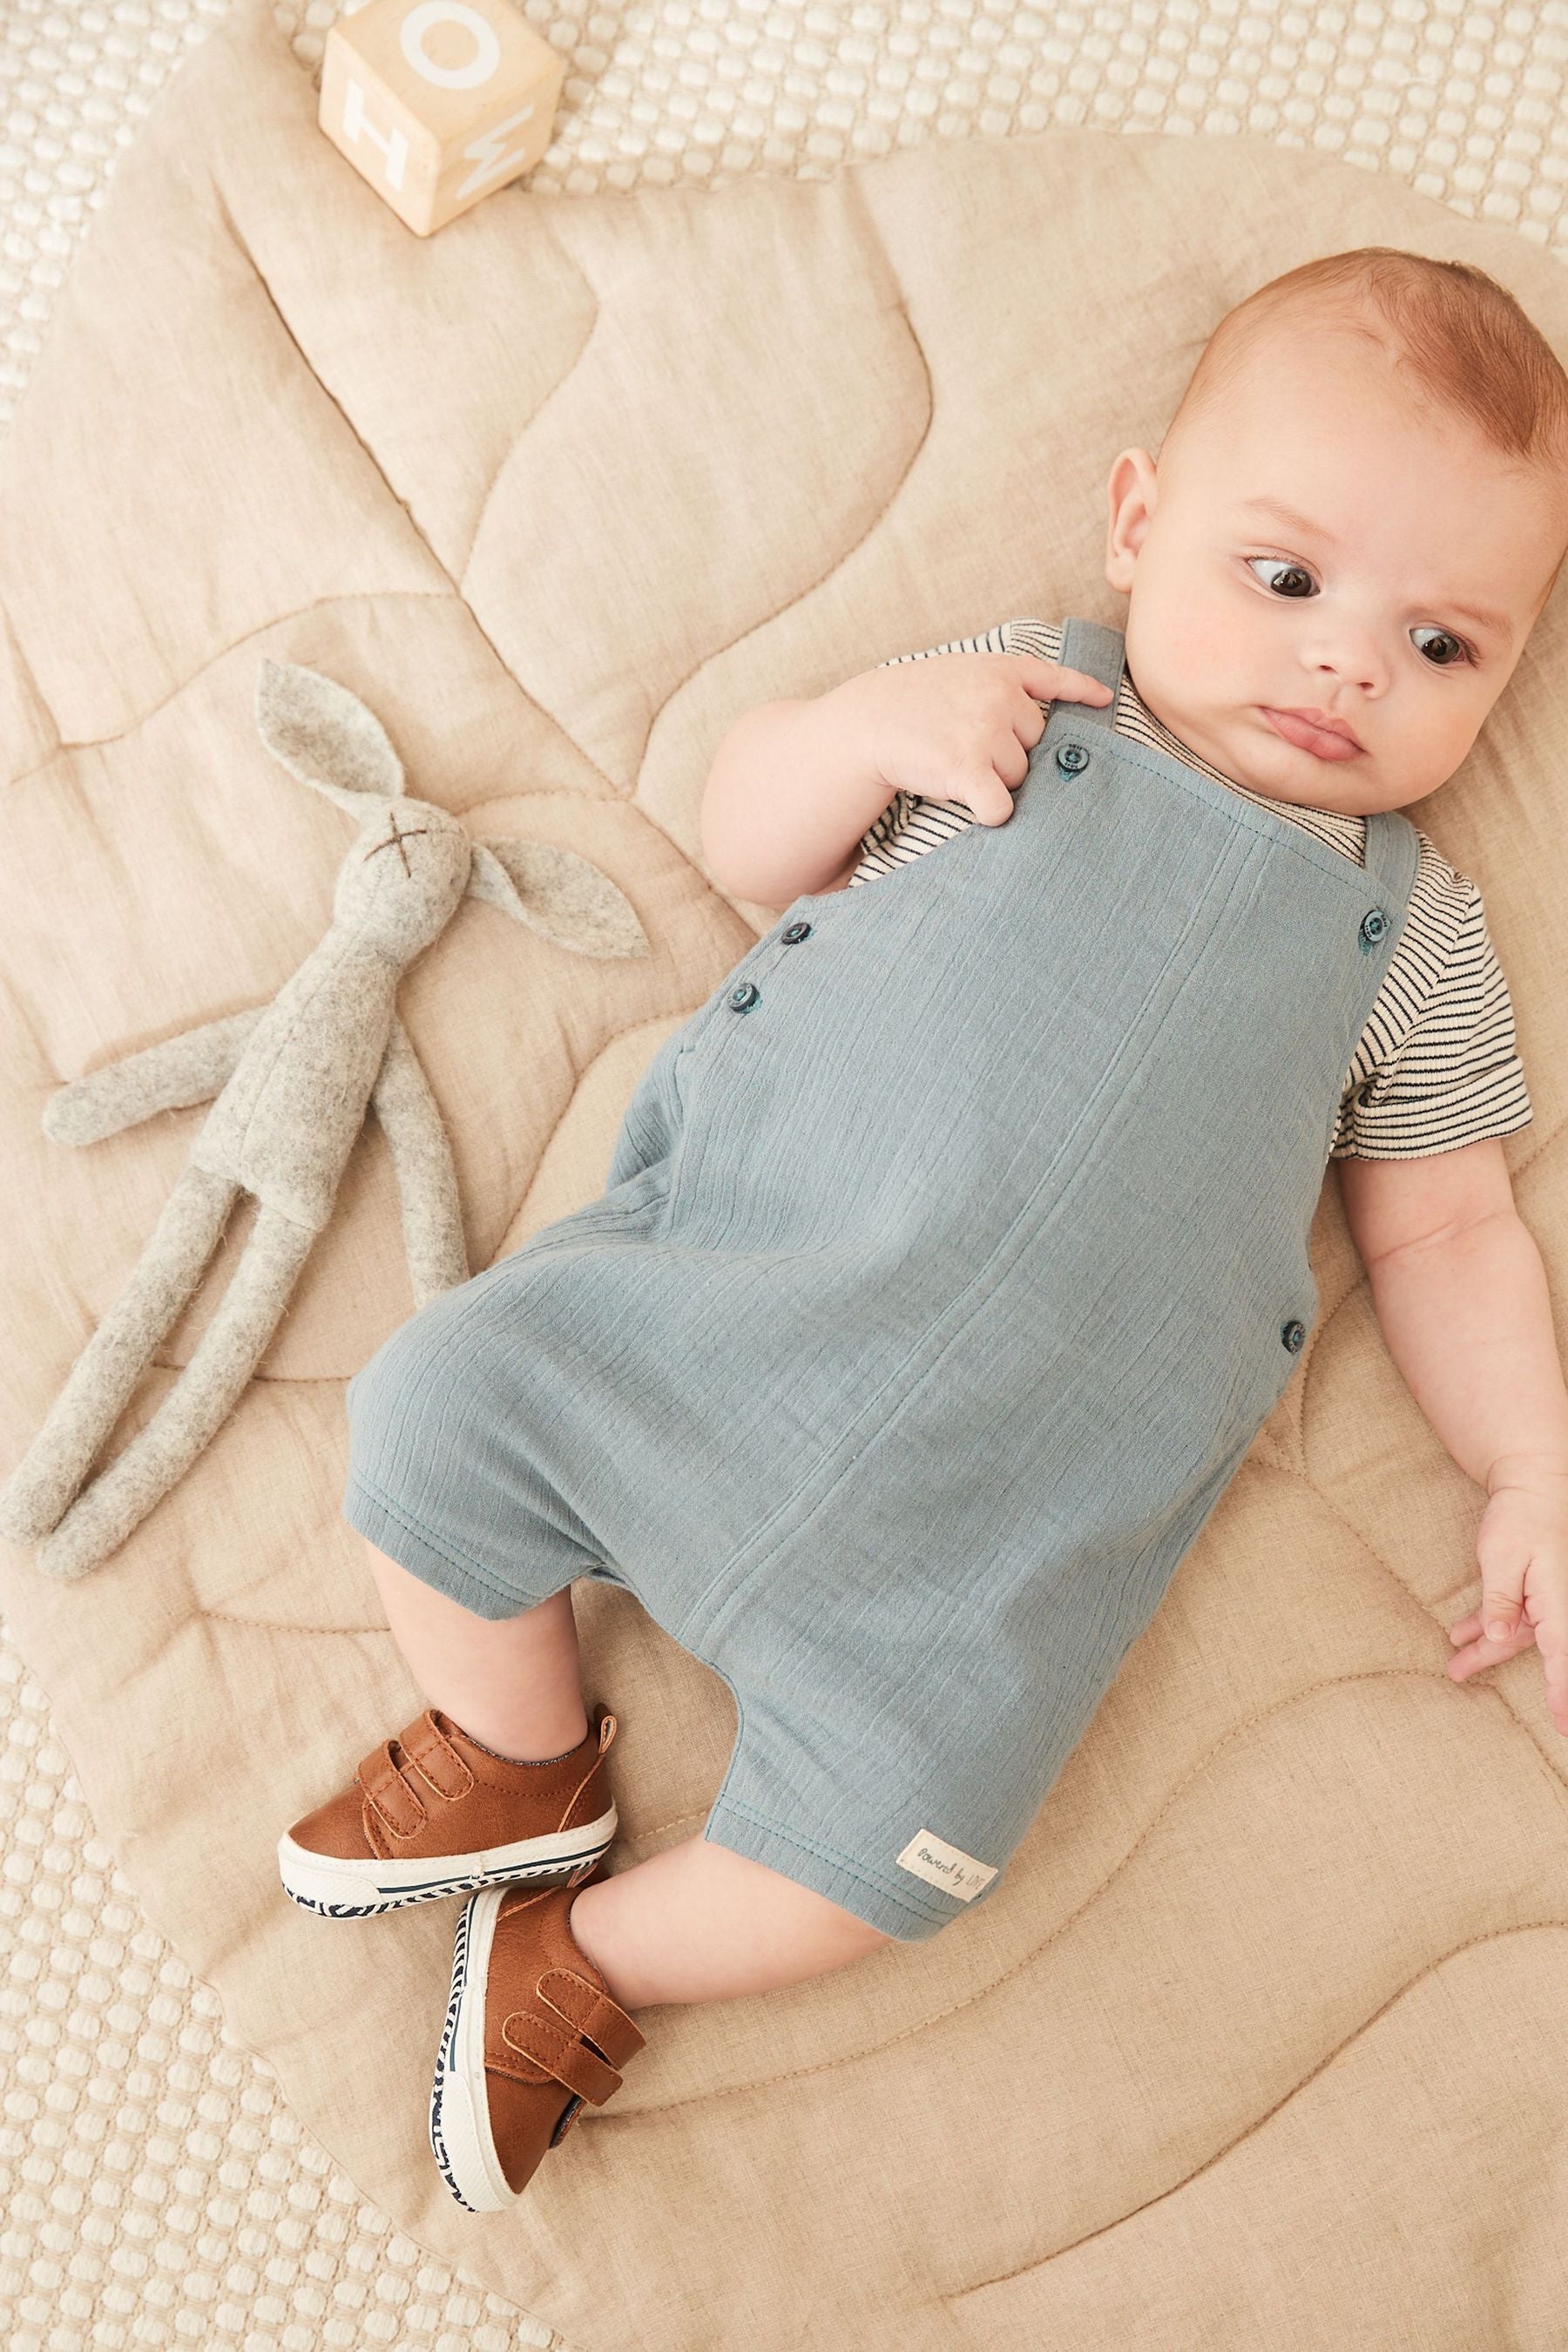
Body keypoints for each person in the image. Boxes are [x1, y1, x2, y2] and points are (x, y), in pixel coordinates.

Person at [278, 246, 1568, 2213]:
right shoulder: (1013, 711)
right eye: (1288, 579)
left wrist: (1530, 1461)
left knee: (902, 1860)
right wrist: (869, 723)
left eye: (1445, 648)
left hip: (977, 1559)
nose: (1347, 666)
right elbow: (744, 835)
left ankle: (582, 1956)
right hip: (707, 1323)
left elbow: (1453, 1229)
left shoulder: (1414, 944)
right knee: (433, 1415)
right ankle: (519, 1755)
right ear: (1139, 525)